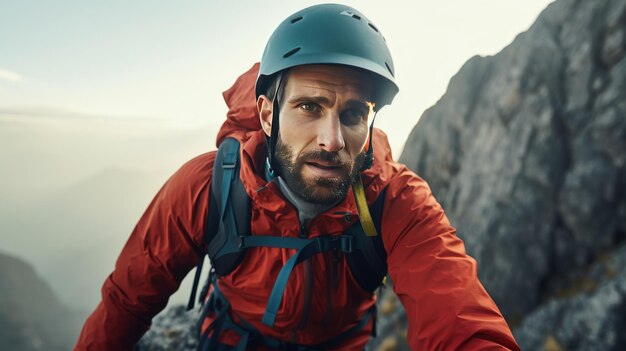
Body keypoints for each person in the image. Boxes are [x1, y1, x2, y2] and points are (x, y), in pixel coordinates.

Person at [75, 4, 520, 350]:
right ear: (268, 114)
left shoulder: (395, 201)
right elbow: (128, 299)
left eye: (351, 114)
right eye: (310, 107)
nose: (332, 139)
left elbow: (459, 319)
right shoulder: (210, 185)